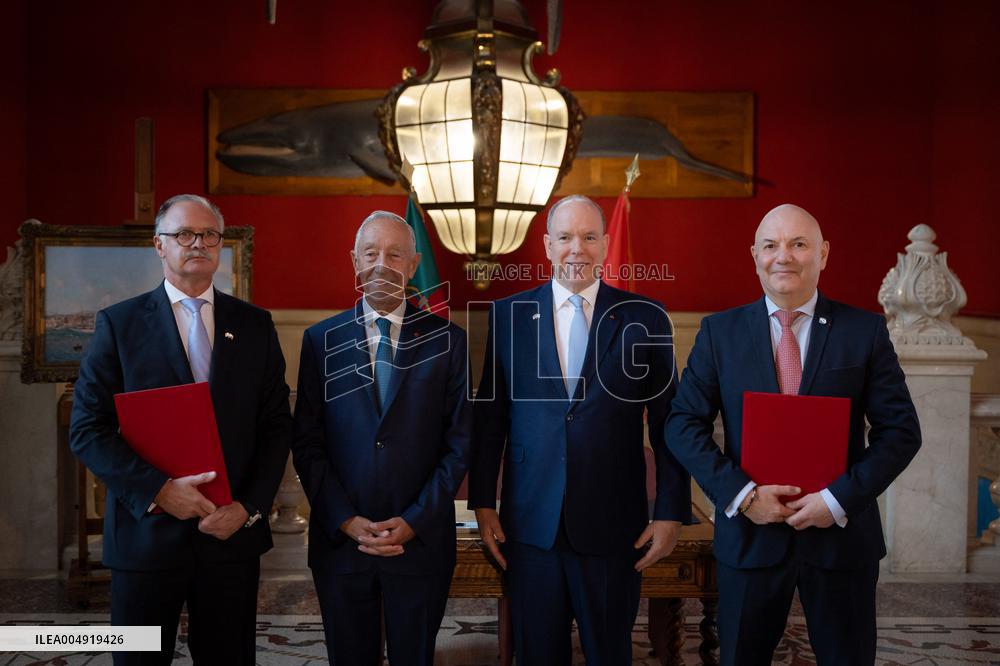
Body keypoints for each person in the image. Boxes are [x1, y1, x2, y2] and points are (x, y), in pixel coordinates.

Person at [665, 203, 921, 665]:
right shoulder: (719, 333)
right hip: (749, 539)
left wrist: (838, 500)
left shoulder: (863, 332)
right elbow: (682, 424)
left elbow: (901, 432)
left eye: (798, 244)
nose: (783, 256)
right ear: (755, 255)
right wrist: (742, 495)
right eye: (771, 245)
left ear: (822, 254)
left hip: (841, 541)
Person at [70, 194, 293, 665]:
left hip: (229, 536)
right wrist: (158, 490)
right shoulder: (120, 325)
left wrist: (249, 508)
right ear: (159, 245)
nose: (198, 243)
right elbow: (88, 429)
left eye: (209, 234)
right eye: (184, 234)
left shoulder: (254, 325)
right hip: (146, 537)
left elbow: (276, 427)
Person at [468, 195, 692, 665]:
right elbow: (491, 420)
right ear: (548, 245)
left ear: (605, 245)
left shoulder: (645, 317)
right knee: (536, 655)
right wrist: (484, 502)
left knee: (611, 654)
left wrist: (671, 509)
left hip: (614, 527)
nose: (578, 249)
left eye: (589, 237)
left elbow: (670, 422)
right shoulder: (508, 315)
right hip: (530, 527)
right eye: (566, 237)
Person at [292, 211, 471, 665]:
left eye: (394, 255)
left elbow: (459, 443)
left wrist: (415, 519)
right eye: (370, 253)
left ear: (412, 266)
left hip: (420, 541)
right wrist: (345, 519)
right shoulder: (320, 340)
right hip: (342, 542)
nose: (381, 264)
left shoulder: (449, 341)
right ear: (354, 262)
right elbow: (307, 443)